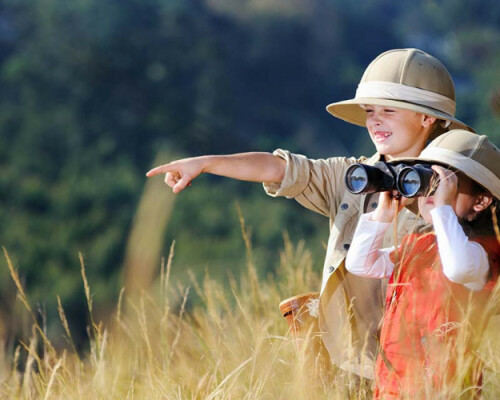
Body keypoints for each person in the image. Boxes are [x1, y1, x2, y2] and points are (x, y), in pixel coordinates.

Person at [146, 48, 472, 378]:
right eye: (370, 110)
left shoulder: (455, 193)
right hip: (345, 362)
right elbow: (280, 169)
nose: (375, 120)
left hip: (418, 371)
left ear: (427, 117)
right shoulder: (351, 177)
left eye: (389, 110)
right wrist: (206, 163)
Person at [345, 129, 500, 398]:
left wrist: (442, 208)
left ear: (481, 201)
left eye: (446, 182)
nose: (432, 190)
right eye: (427, 178)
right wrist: (383, 213)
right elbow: (360, 263)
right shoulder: (418, 246)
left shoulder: (482, 254)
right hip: (392, 390)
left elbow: (457, 267)